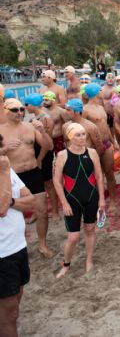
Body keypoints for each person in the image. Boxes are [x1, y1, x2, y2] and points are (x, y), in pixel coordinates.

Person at [0, 98, 54, 258]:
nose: (20, 113)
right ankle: (15, 246)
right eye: (15, 110)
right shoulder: (1, 131)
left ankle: (42, 244)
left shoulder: (31, 127)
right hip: (13, 177)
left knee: (42, 211)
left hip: (33, 172)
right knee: (12, 213)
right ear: (6, 111)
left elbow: (49, 146)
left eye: (22, 109)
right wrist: (4, 149)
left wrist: (43, 132)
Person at [51, 123, 105, 278]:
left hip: (91, 197)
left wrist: (101, 199)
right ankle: (66, 264)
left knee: (90, 230)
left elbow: (100, 176)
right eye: (78, 135)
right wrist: (64, 203)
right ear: (70, 137)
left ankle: (89, 259)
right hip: (72, 200)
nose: (82, 138)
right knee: (73, 237)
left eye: (83, 134)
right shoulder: (62, 155)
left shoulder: (92, 152)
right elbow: (57, 181)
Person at [0, 135, 36, 336]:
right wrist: (4, 172)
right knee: (10, 312)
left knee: (17, 299)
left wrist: (13, 202)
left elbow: (31, 201)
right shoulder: (6, 169)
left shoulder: (7, 169)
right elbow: (1, 208)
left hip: (18, 246)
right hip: (2, 253)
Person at [82, 84, 117, 212]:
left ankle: (113, 200)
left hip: (106, 143)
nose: (103, 92)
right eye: (100, 90)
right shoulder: (85, 110)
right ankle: (98, 201)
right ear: (96, 93)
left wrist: (114, 141)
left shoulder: (101, 107)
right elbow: (82, 128)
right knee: (96, 175)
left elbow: (106, 126)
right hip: (93, 146)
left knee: (110, 173)